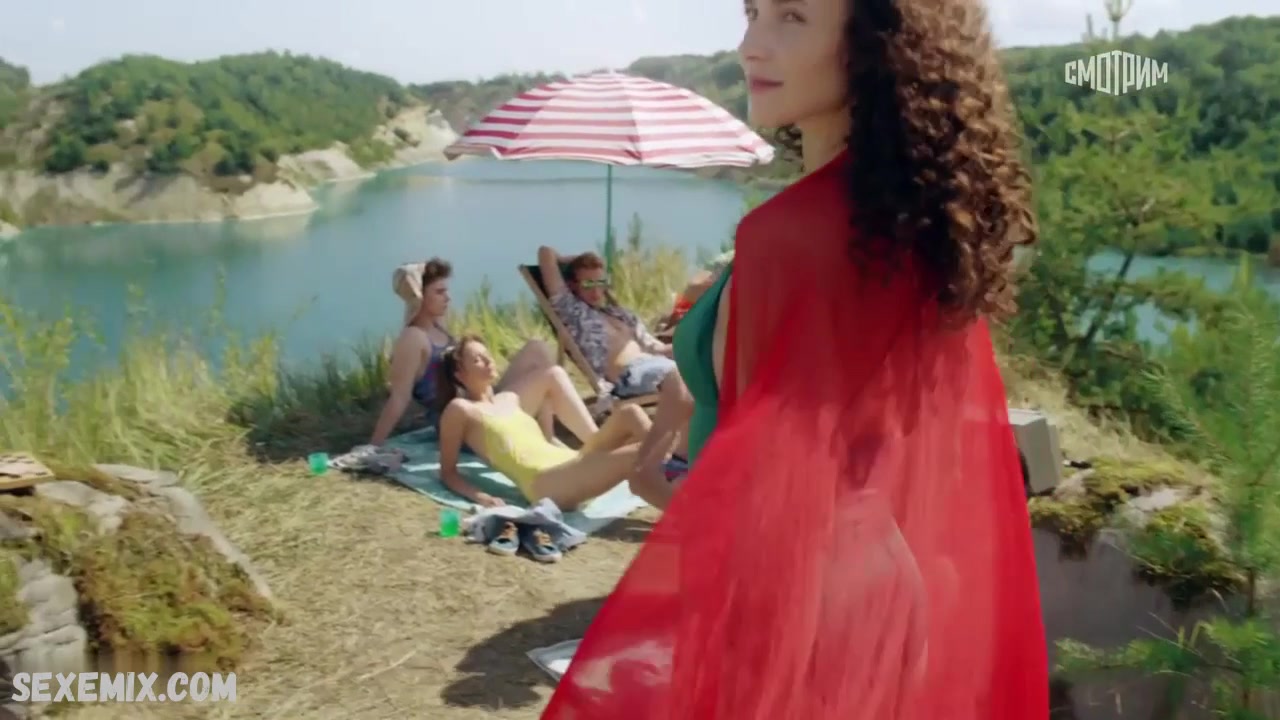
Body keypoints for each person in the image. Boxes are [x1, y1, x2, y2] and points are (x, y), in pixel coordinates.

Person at [544, 0, 1048, 717]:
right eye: (752, 12)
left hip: (792, 583)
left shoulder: (791, 235)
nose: (750, 45)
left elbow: (766, 478)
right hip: (876, 575)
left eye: (792, 17)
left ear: (876, 45)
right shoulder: (904, 226)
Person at [369, 258, 590, 446]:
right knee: (553, 376)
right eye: (439, 292)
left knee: (537, 348)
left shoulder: (438, 327)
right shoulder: (413, 338)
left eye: (446, 290)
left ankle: (546, 438)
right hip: (465, 425)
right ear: (420, 297)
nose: (448, 297)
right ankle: (594, 444)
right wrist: (374, 445)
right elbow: (399, 397)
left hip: (482, 402)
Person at [435, 335, 657, 510]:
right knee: (638, 453)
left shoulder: (510, 398)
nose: (488, 361)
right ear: (460, 375)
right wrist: (481, 497)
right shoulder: (461, 409)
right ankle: (676, 494)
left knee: (631, 413)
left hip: (571, 461)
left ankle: (673, 468)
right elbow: (448, 473)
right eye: (477, 359)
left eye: (487, 355)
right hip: (546, 482)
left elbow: (549, 392)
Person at [535, 248, 677, 400]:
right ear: (572, 285)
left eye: (601, 282)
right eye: (588, 284)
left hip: (657, 364)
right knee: (681, 378)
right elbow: (545, 252)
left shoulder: (621, 315)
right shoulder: (573, 312)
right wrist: (571, 260)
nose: (596, 291)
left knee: (694, 367)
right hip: (631, 375)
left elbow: (657, 348)